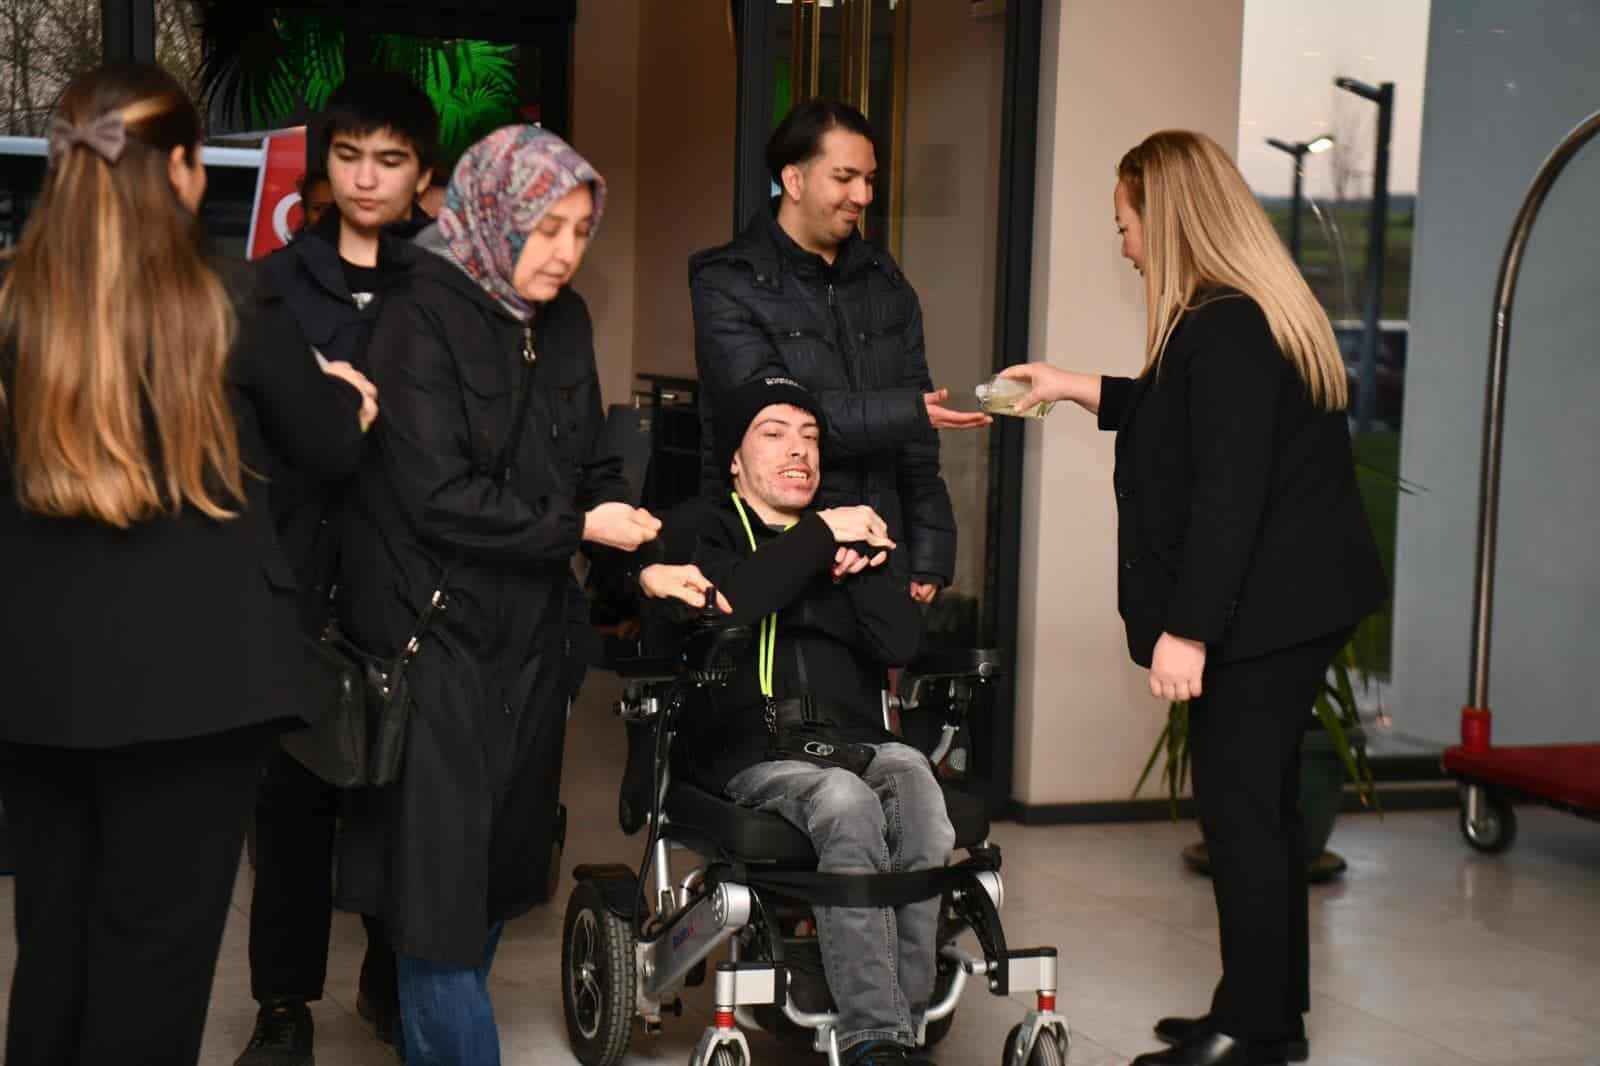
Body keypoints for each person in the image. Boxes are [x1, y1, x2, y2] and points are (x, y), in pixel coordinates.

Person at [0, 63, 370, 1066]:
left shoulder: (15, 308)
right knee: (153, 964)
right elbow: (329, 445)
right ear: (177, 170)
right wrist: (345, 391)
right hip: (196, 687)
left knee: (53, 948)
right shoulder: (230, 303)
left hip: (36, 681)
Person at [1001, 130, 1387, 1066]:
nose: (1125, 244)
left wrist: (1188, 631)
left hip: (1272, 609)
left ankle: (1250, 1030)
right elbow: (1179, 414)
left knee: (1240, 810)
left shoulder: (1226, 324)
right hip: (1294, 599)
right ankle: (1268, 1012)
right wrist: (1069, 386)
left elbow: (1227, 495)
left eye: (1126, 224)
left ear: (1167, 219)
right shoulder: (1231, 318)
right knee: (1263, 809)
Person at [333, 125, 682, 1065]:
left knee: (494, 878)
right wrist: (580, 528)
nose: (564, 252)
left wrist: (635, 555)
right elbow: (436, 496)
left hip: (532, 640)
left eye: (579, 231)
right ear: (492, 215)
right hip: (431, 636)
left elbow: (595, 464)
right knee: (438, 905)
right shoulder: (416, 314)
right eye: (545, 228)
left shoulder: (565, 321)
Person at [643, 377, 952, 1066]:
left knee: (920, 792)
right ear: (735, 457)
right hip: (751, 750)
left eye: (810, 438)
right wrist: (818, 536)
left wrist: (871, 566)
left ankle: (898, 1030)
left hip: (855, 738)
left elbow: (900, 644)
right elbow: (733, 600)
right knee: (845, 802)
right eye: (775, 433)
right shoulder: (701, 527)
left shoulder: (852, 533)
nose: (798, 451)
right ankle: (874, 1035)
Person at [241, 70, 439, 1066]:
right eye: (350, 155)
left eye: (389, 160)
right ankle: (283, 1005)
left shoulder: (442, 285)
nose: (366, 178)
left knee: (401, 795)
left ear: (421, 175)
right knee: (291, 801)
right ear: (324, 165)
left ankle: (388, 973)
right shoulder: (271, 283)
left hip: (408, 569)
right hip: (297, 569)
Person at [690, 99, 988, 605]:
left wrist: (930, 554)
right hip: (775, 554)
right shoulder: (727, 281)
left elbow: (918, 447)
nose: (863, 196)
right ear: (794, 179)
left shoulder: (885, 283)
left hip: (881, 554)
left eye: (869, 180)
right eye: (845, 177)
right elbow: (771, 417)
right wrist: (907, 411)